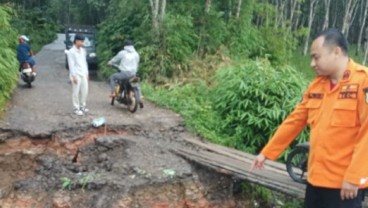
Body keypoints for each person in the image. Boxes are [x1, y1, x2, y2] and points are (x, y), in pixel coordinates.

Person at [251, 28, 368, 208]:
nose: (312, 63)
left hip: (344, 185)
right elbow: (294, 121)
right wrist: (267, 153)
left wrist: (354, 178)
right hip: (315, 180)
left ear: (336, 51)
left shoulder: (363, 82)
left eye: (316, 57)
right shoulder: (317, 86)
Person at [107, 40, 143, 108]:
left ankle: (113, 93)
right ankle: (140, 97)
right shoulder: (136, 54)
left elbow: (115, 60)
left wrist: (109, 62)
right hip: (133, 74)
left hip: (124, 74)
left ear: (125, 46)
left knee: (112, 77)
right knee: (136, 84)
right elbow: (137, 63)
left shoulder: (122, 53)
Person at [65, 34, 89, 116]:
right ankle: (76, 107)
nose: (82, 43)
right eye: (81, 41)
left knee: (84, 90)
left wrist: (86, 73)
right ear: (76, 41)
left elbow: (84, 62)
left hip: (83, 73)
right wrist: (74, 76)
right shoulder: (71, 52)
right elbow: (71, 65)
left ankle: (82, 106)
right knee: (76, 91)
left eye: (83, 41)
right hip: (76, 74)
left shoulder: (83, 51)